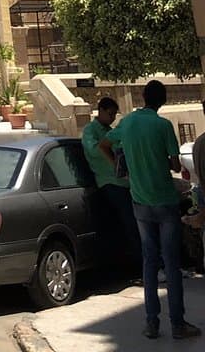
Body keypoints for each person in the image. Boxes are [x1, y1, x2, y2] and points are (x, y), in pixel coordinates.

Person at [102, 80, 201, 341]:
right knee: (171, 263)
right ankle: (178, 324)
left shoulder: (127, 123)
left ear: (143, 97)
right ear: (163, 100)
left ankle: (151, 323)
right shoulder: (163, 126)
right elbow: (176, 165)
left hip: (140, 201)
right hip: (165, 201)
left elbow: (104, 144)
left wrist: (121, 168)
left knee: (149, 262)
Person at [82, 96, 142, 274]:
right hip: (108, 181)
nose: (112, 118)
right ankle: (141, 263)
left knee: (136, 221)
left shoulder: (110, 131)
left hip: (124, 181)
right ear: (100, 111)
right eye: (110, 114)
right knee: (131, 222)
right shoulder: (90, 131)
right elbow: (94, 151)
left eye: (115, 114)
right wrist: (109, 149)